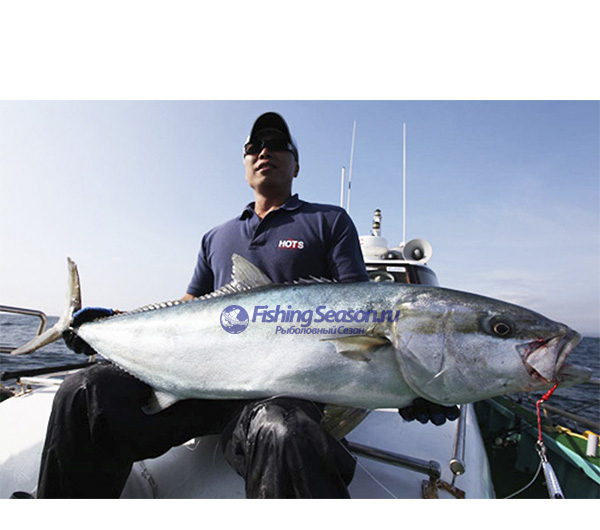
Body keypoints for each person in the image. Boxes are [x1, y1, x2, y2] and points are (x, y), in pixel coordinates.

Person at [34, 112, 457, 499]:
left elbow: (362, 309)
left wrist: (408, 381)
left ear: (296, 165)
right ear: (244, 163)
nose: (264, 152)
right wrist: (112, 326)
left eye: (277, 145)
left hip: (280, 393)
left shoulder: (328, 221)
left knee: (285, 430)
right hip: (196, 384)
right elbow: (188, 307)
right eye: (254, 147)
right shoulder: (216, 236)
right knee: (84, 391)